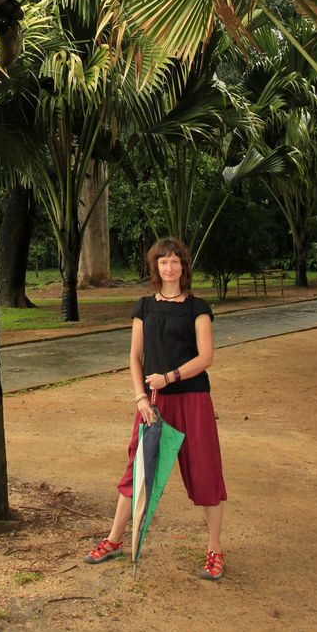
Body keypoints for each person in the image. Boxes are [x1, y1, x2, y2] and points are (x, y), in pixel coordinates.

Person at [84, 236, 227, 579]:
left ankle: (215, 550)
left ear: (183, 267)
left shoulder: (198, 308)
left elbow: (205, 357)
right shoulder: (144, 307)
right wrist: (140, 398)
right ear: (156, 267)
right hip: (154, 404)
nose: (169, 267)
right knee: (138, 471)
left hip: (192, 400)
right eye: (163, 261)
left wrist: (170, 376)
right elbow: (134, 357)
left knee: (205, 472)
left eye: (175, 261)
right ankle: (114, 540)